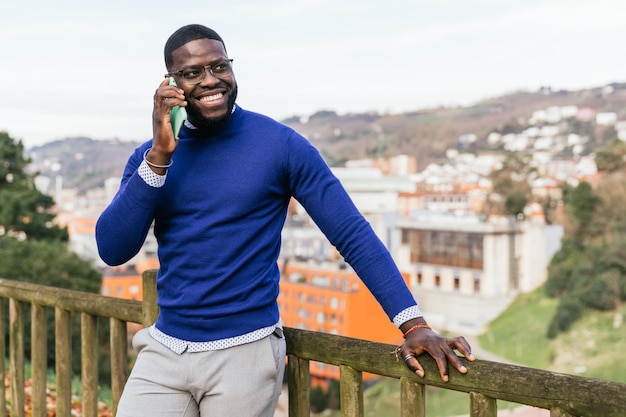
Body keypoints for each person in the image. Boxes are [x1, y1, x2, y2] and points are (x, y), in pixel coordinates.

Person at [96, 23, 475, 417]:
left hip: (244, 351)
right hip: (165, 350)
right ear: (170, 84)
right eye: (192, 73)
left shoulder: (281, 145)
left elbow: (351, 233)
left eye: (220, 67)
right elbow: (113, 249)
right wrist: (159, 154)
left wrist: (413, 325)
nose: (211, 80)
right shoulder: (151, 158)